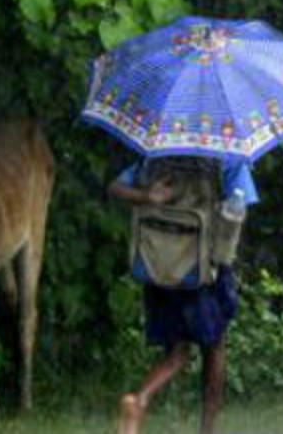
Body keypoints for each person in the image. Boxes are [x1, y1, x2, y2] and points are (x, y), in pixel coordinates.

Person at [109, 156, 258, 434]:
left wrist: (146, 196)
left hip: (160, 267)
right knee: (214, 350)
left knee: (177, 352)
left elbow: (115, 188)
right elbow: (239, 205)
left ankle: (139, 399)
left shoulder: (157, 155)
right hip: (202, 272)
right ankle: (207, 430)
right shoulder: (227, 158)